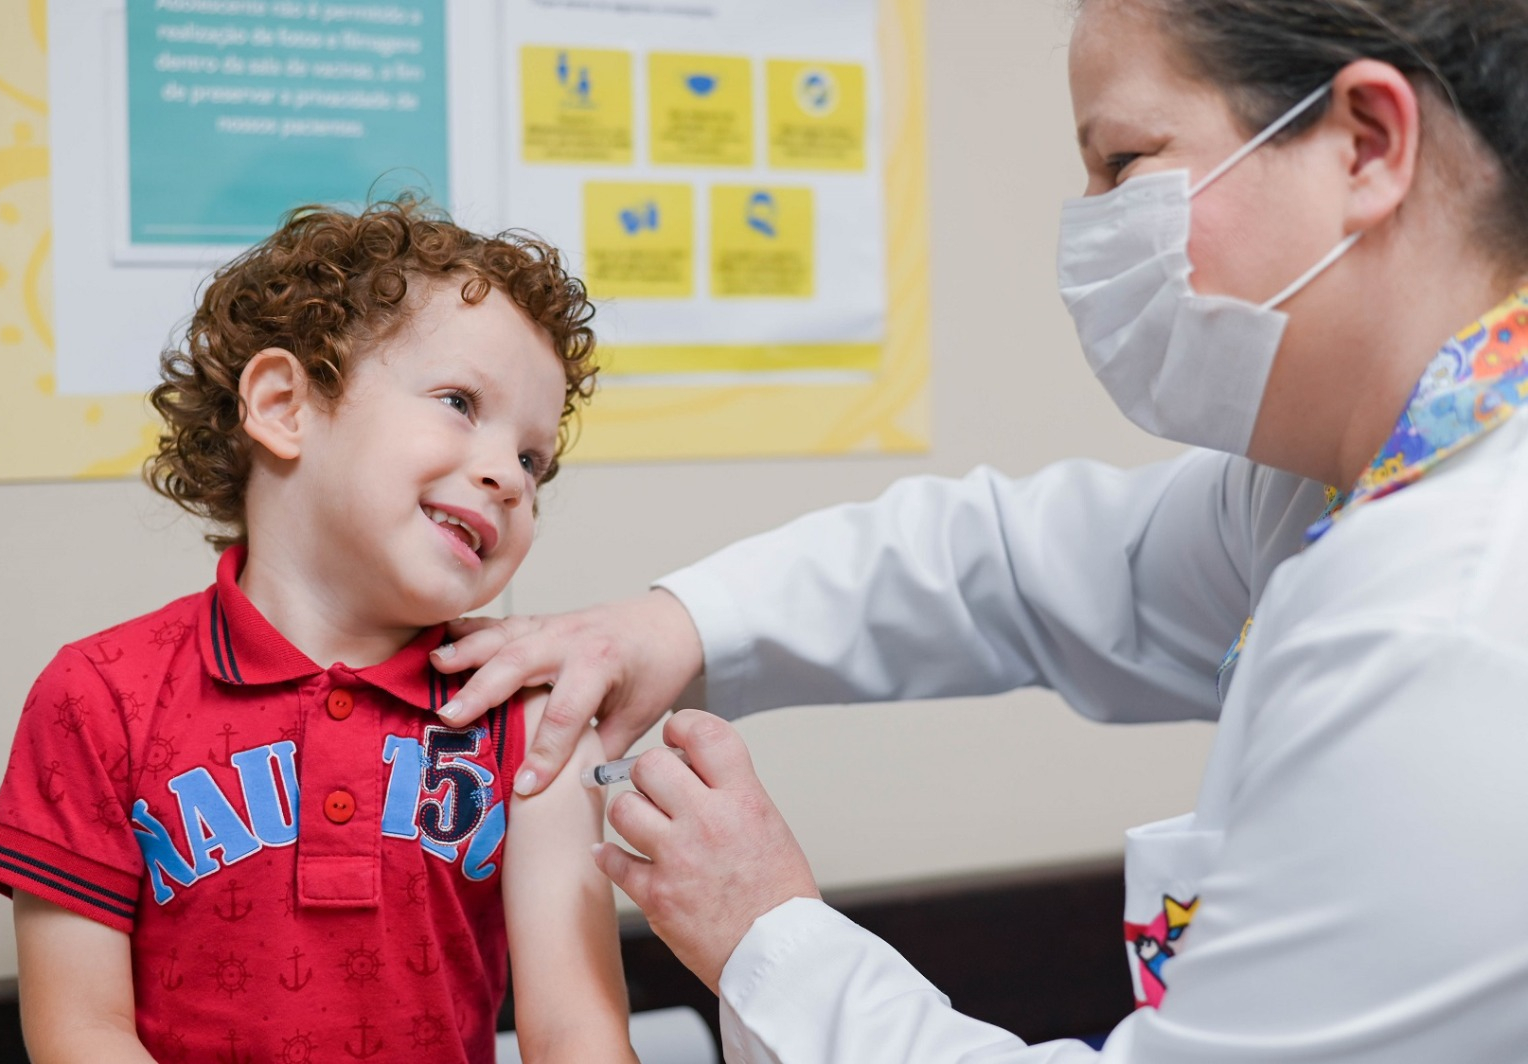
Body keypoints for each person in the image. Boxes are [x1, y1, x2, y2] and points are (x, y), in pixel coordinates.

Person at [431, 0, 1528, 1060]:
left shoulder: (1458, 624)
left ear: (1367, 143)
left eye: (1125, 162)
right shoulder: (1340, 487)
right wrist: (677, 625)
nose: (1092, 221)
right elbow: (1011, 567)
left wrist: (767, 933)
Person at [0, 200, 637, 1064]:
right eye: (458, 401)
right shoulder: (99, 695)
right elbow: (80, 1032)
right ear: (285, 404)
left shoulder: (534, 722)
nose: (507, 478)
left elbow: (577, 1037)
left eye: (531, 460)